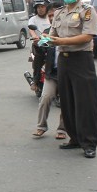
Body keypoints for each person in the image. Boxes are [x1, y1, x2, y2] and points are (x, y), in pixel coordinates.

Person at [48, 0, 97, 159]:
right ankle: (75, 138)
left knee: (86, 103)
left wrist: (60, 41)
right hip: (63, 59)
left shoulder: (87, 11)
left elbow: (87, 36)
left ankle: (89, 143)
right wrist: (44, 40)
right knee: (67, 102)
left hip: (82, 59)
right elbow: (52, 34)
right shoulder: (59, 13)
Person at [32, 7, 66, 140]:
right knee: (45, 98)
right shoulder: (46, 33)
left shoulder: (70, 32)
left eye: (55, 15)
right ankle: (41, 127)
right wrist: (37, 45)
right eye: (50, 16)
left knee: (65, 102)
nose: (52, 18)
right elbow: (39, 58)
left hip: (67, 72)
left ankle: (62, 129)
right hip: (51, 73)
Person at [28, 0, 52, 93]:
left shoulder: (51, 17)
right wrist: (35, 37)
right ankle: (35, 81)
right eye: (38, 7)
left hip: (52, 44)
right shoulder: (33, 19)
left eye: (42, 7)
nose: (40, 9)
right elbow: (31, 30)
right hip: (39, 46)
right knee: (38, 61)